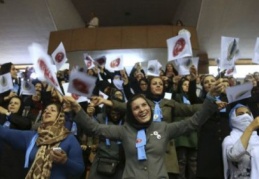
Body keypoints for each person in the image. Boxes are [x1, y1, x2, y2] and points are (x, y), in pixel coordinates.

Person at [64, 79, 225, 179]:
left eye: (144, 105)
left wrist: (209, 99)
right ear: (131, 113)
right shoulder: (124, 130)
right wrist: (77, 109)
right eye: (136, 108)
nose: (141, 110)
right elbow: (95, 128)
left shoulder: (163, 128)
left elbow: (194, 122)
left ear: (149, 107)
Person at [0, 102, 85, 178]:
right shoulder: (32, 136)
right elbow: (4, 132)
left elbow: (79, 170)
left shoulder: (69, 139)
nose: (47, 112)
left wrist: (65, 161)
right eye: (45, 111)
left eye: (53, 110)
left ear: (60, 116)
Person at [222, 104, 259, 179]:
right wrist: (250, 128)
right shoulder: (229, 139)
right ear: (233, 118)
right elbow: (234, 155)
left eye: (248, 113)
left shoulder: (257, 139)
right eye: (240, 114)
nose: (245, 116)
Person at [0, 96, 31, 178]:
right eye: (10, 103)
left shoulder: (24, 120)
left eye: (16, 103)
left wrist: (7, 113)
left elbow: (26, 125)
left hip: (11, 162)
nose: (12, 105)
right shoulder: (1, 117)